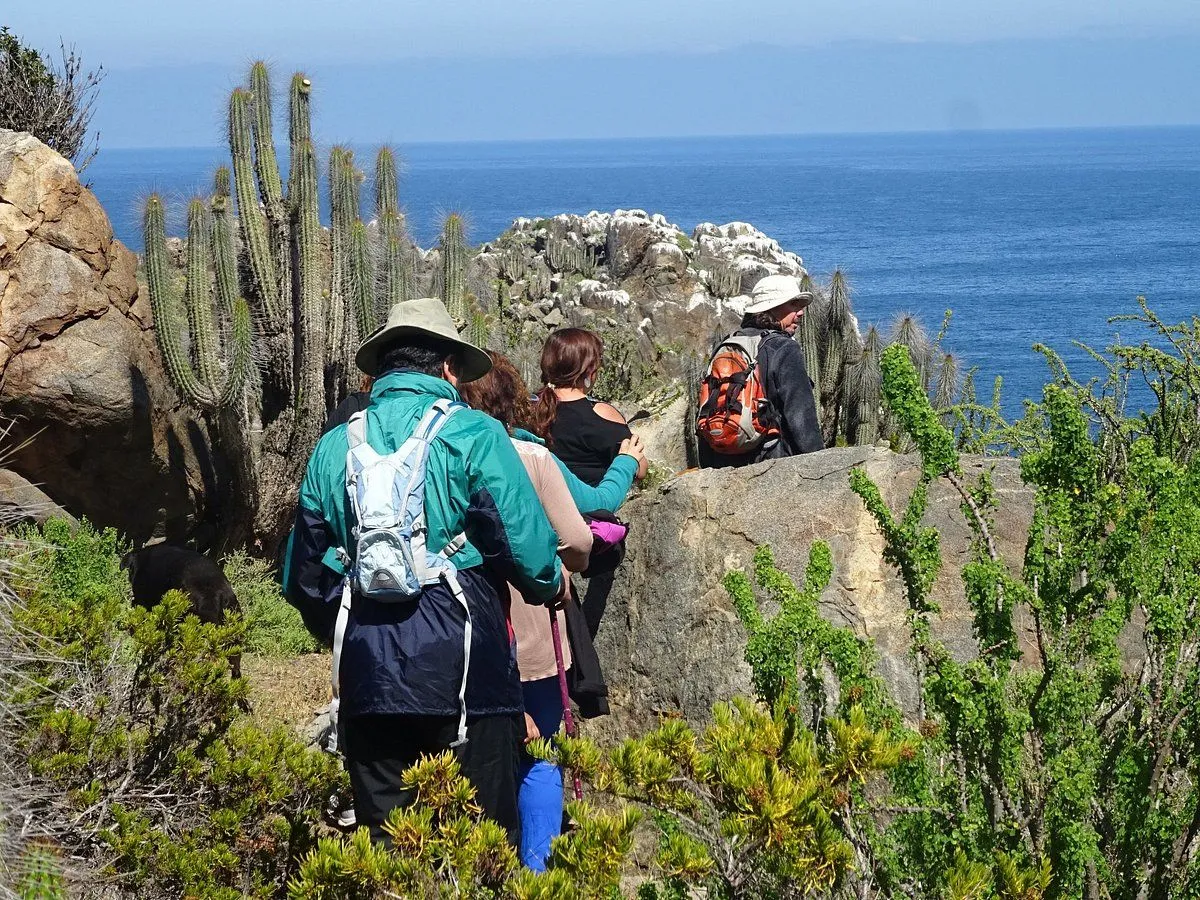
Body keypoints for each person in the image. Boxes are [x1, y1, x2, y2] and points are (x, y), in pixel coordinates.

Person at [284, 297, 566, 847]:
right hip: (469, 677)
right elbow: (528, 551)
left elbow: (304, 574)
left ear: (383, 368)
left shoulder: (333, 446)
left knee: (389, 845)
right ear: (448, 367)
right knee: (482, 846)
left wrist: (357, 623)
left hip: (368, 677)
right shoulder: (475, 435)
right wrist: (549, 585)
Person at [459, 351, 645, 870]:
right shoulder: (531, 456)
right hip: (533, 626)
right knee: (540, 749)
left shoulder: (440, 451)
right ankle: (536, 867)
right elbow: (580, 541)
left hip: (459, 627)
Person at [696, 274, 823, 468]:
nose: (800, 313)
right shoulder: (784, 348)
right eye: (793, 305)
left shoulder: (728, 344)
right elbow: (801, 417)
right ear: (771, 308)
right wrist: (821, 463)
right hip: (771, 462)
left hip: (723, 461)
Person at [531, 328, 650, 487]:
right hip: (588, 508)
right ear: (589, 370)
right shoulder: (601, 415)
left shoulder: (527, 407)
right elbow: (640, 470)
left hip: (533, 507)